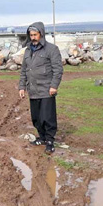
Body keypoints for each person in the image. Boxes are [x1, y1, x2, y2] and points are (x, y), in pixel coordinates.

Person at [18, 21, 64, 154]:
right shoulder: (27, 51)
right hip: (33, 90)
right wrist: (22, 87)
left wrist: (54, 86)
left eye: (35, 35)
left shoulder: (51, 49)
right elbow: (24, 71)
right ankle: (42, 137)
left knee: (47, 117)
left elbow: (58, 70)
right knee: (36, 117)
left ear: (41, 34)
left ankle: (50, 141)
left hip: (46, 89)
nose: (33, 37)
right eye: (31, 35)